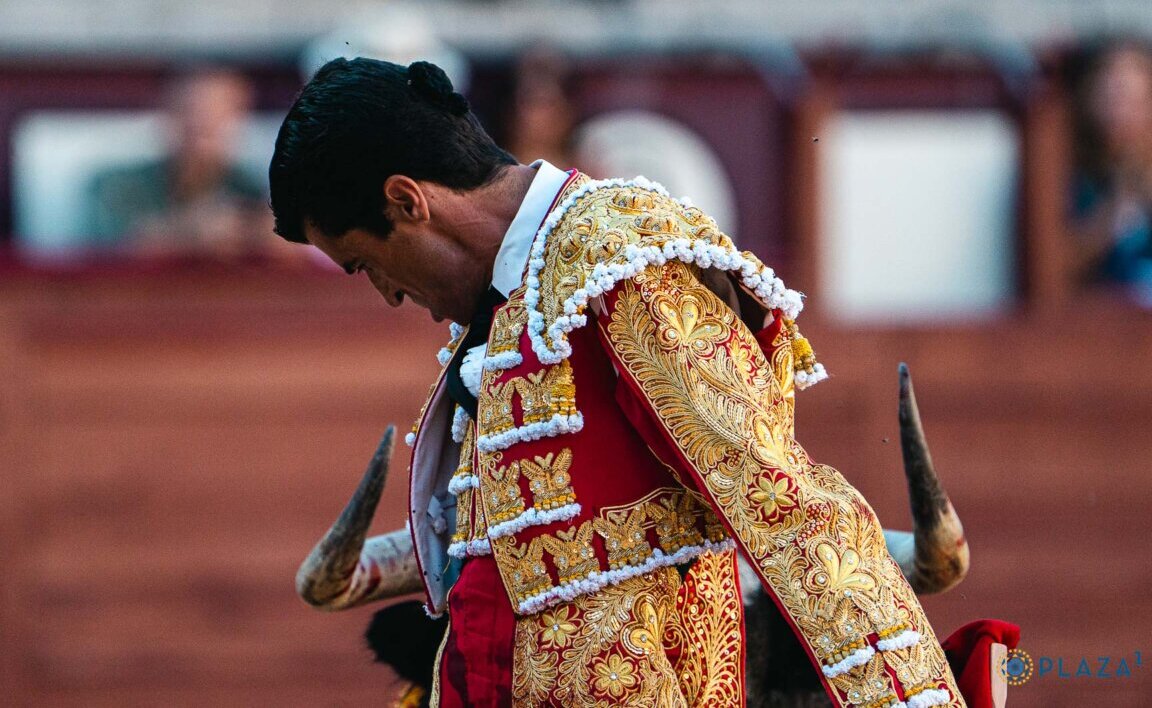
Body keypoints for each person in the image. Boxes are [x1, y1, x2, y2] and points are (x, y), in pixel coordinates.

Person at [269, 57, 969, 707]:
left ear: (407, 201)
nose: (388, 294)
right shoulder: (514, 303)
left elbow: (785, 508)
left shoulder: (622, 262)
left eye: (365, 263)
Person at [87, 69, 274, 261]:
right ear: (165, 112)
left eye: (219, 112)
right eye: (190, 109)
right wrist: (188, 233)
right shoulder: (114, 185)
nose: (203, 122)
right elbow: (109, 248)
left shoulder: (252, 187)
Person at [1071, 40, 1152, 304]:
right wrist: (1113, 209)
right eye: (1113, 98)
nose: (1123, 113)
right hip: (1098, 320)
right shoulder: (1070, 177)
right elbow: (1054, 268)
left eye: (1135, 101)